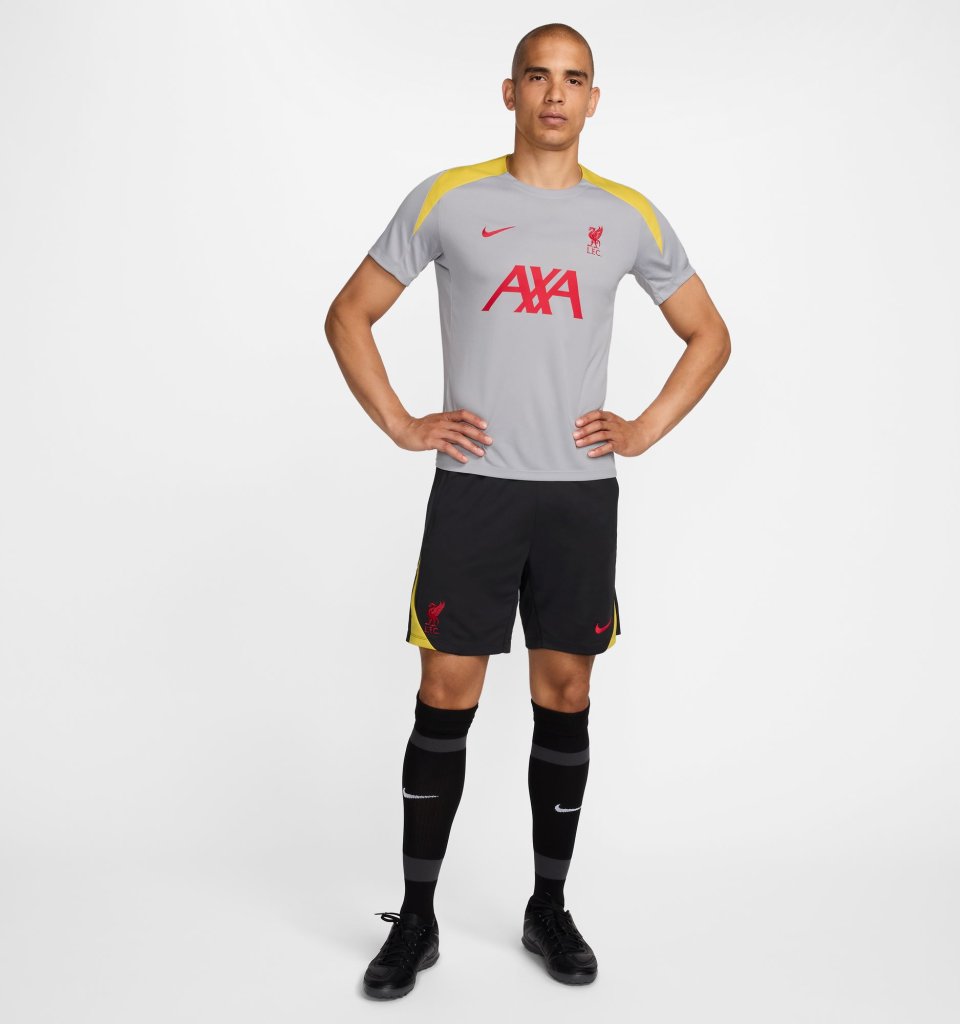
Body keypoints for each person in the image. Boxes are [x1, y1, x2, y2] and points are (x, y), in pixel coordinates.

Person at [324, 22, 730, 1000]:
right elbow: (348, 314)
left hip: (577, 496)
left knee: (566, 693)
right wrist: (402, 422)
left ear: (594, 100)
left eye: (573, 79)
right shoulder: (449, 200)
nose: (555, 93)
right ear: (508, 92)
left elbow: (709, 335)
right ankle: (416, 917)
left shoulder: (627, 217)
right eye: (537, 77)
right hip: (476, 489)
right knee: (447, 690)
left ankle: (547, 907)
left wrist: (643, 428)